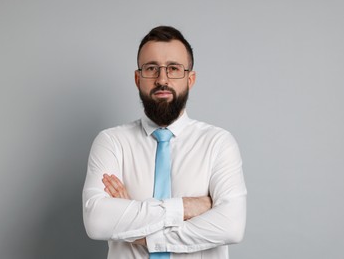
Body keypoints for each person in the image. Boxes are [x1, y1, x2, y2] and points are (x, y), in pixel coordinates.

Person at [82, 26, 247, 259]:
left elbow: (231, 225)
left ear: (190, 79)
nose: (162, 79)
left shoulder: (218, 143)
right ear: (138, 79)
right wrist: (186, 208)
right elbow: (97, 221)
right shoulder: (111, 142)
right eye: (151, 68)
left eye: (173, 68)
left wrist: (133, 224)